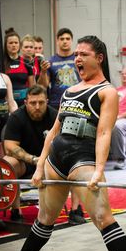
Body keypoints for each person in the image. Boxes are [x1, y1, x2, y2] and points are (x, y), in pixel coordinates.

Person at [0, 35, 126, 251]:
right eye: (77, 55)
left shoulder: (107, 92)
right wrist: (39, 166)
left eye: (84, 54)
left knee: (103, 218)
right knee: (45, 217)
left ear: (99, 58)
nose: (78, 59)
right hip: (56, 161)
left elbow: (104, 133)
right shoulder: (69, 92)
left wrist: (99, 170)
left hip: (84, 161)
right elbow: (54, 132)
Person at [38, 27, 89, 224]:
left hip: (79, 109)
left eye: (68, 38)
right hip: (56, 109)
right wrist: (43, 71)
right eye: (62, 39)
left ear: (71, 40)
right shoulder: (50, 62)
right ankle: (53, 207)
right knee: (60, 155)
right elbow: (43, 86)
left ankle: (76, 209)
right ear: (57, 40)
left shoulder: (79, 60)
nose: (65, 41)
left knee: (76, 156)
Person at [2, 84, 57, 221]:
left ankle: (75, 210)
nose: (37, 107)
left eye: (41, 102)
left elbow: (63, 144)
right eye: (33, 103)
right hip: (26, 163)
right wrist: (33, 159)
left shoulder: (55, 116)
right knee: (8, 162)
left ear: (47, 102)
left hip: (49, 162)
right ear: (26, 102)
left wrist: (44, 161)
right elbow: (9, 147)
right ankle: (16, 211)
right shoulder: (16, 117)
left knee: (72, 161)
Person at [3, 28, 35, 107]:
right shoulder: (1, 63)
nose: (13, 45)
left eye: (16, 43)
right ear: (5, 45)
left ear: (19, 45)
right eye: (10, 43)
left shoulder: (27, 63)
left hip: (24, 104)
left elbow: (32, 87)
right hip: (7, 103)